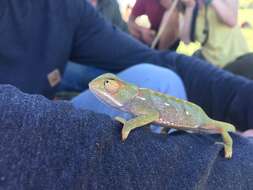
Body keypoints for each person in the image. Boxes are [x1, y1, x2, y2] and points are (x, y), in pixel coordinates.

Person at [1, 84, 253, 189]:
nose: (105, 88)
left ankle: (231, 143)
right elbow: (151, 115)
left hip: (195, 118)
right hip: (177, 120)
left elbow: (149, 114)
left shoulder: (137, 100)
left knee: (221, 128)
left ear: (123, 89)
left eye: (110, 85)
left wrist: (130, 125)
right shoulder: (135, 102)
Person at [179, 0, 253, 79]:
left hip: (238, 60)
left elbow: (231, 21)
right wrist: (190, 8)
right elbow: (185, 39)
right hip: (212, 67)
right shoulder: (189, 5)